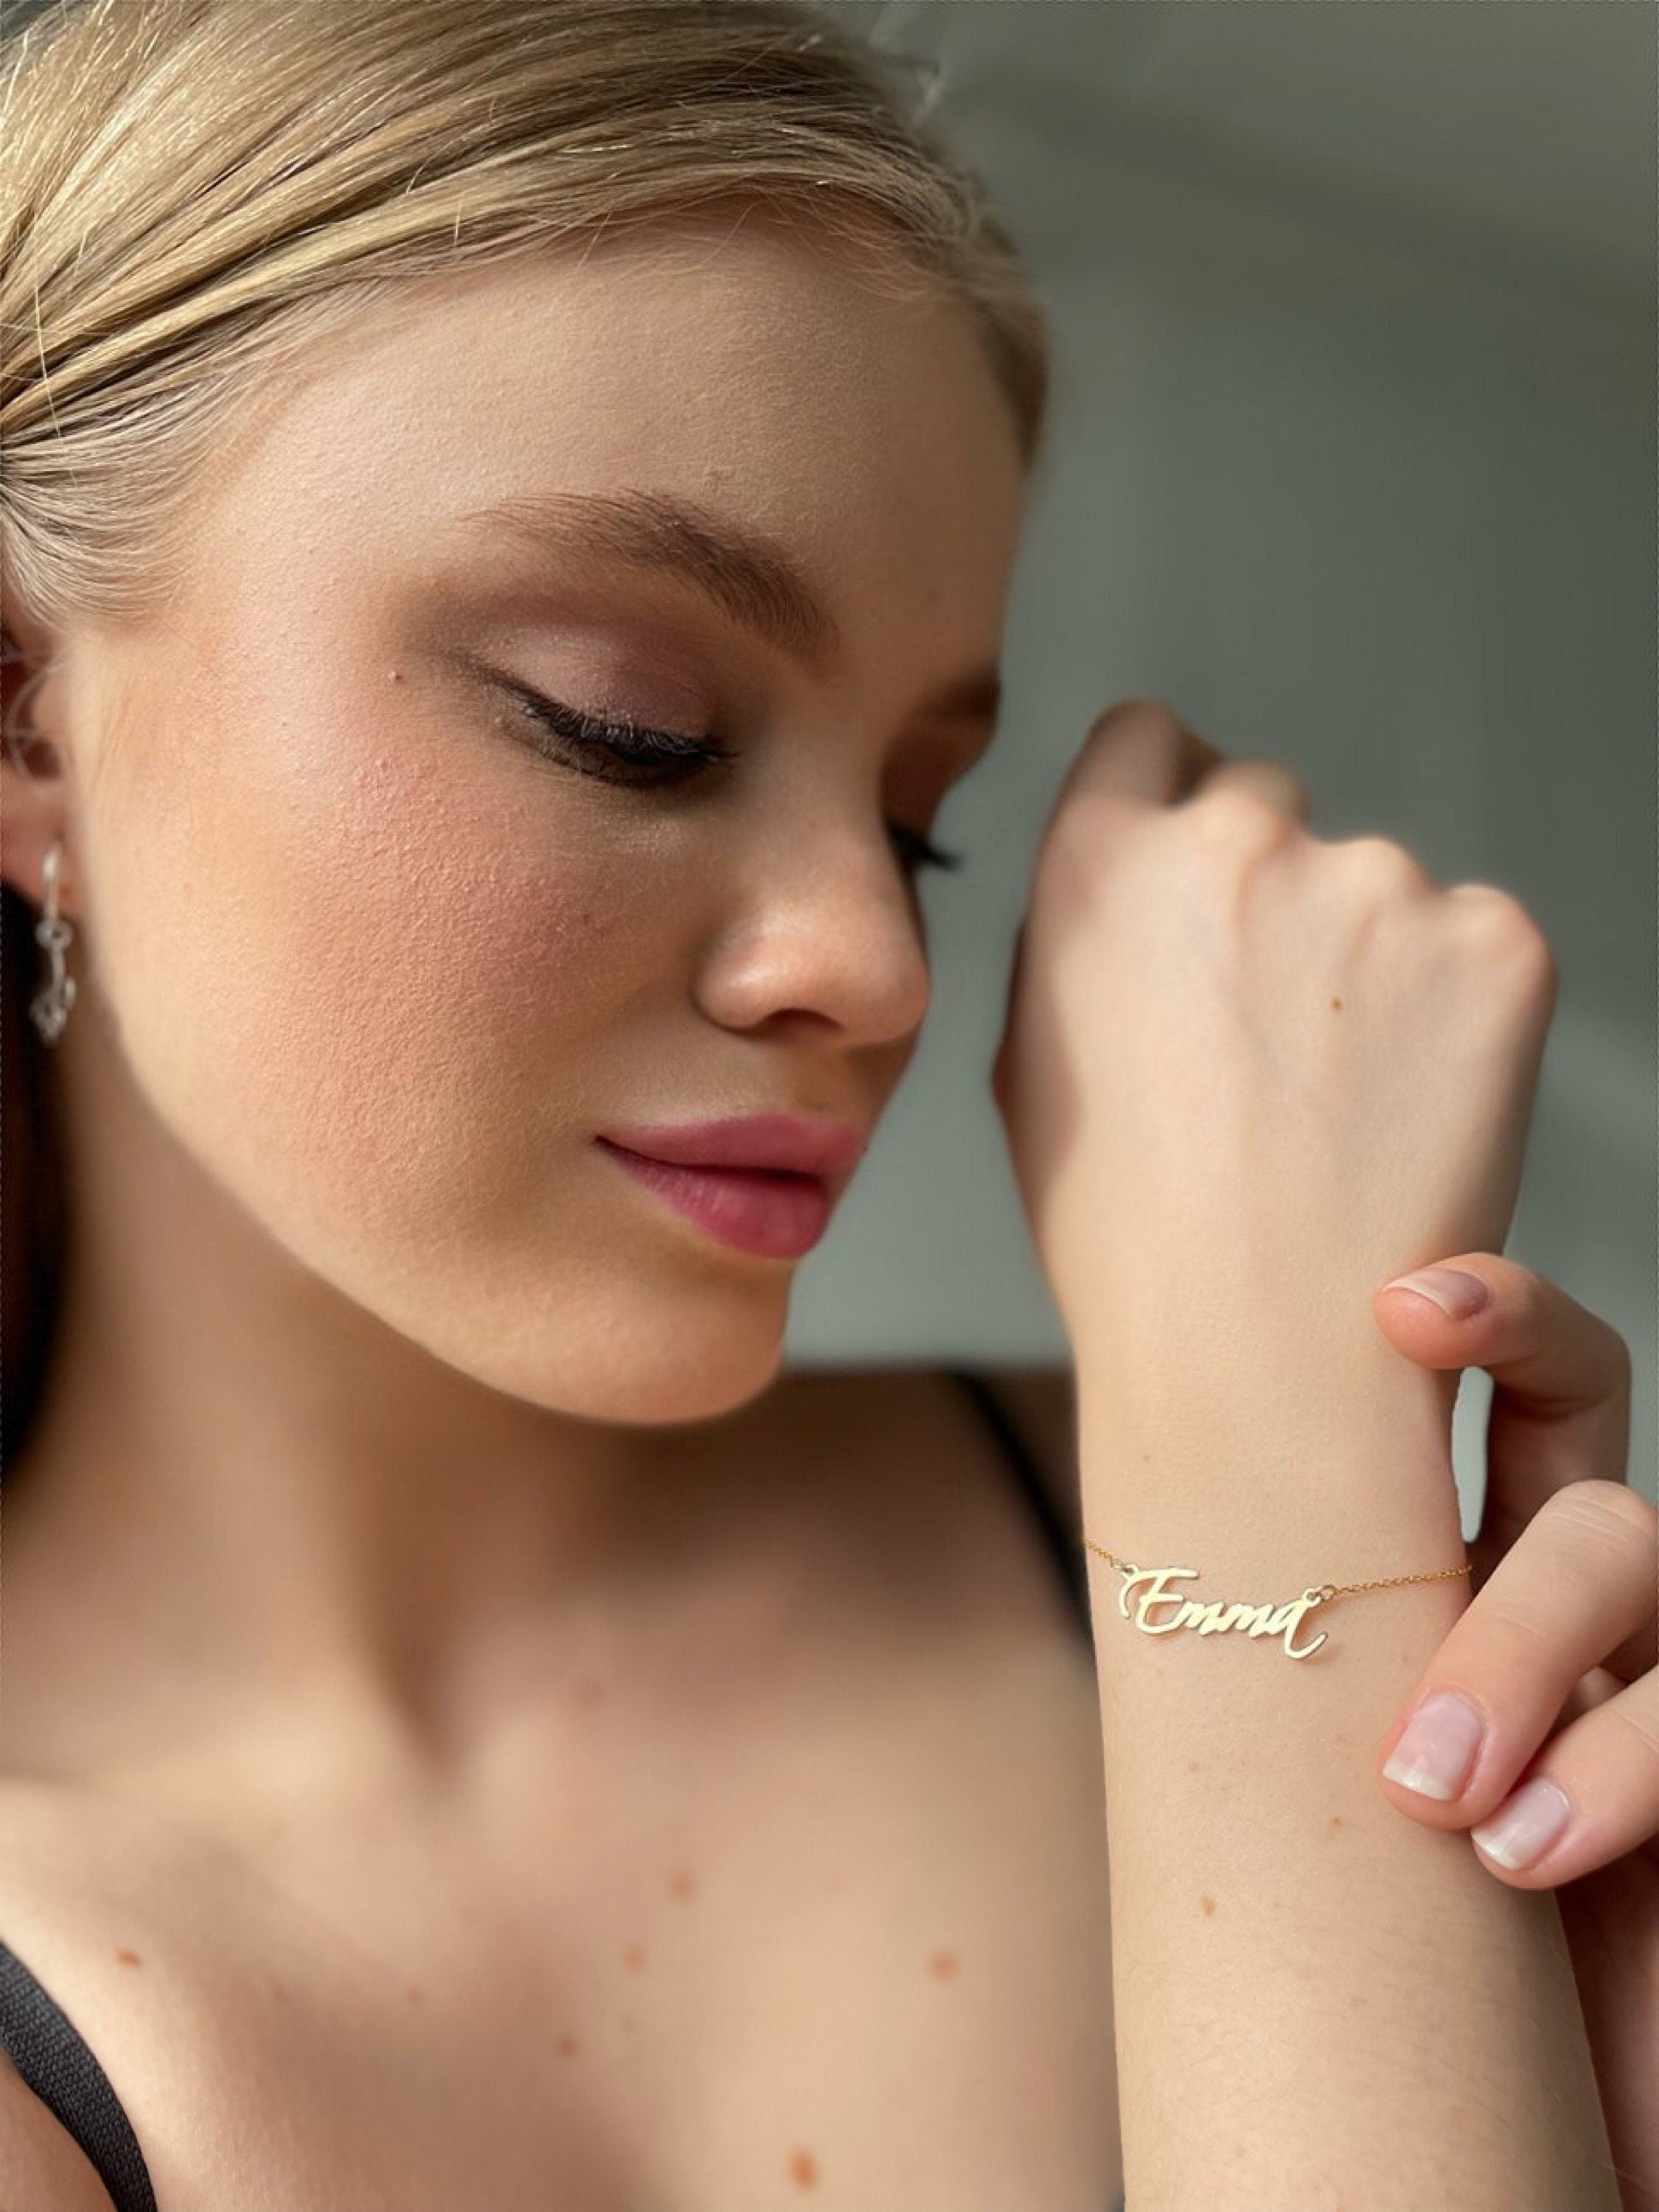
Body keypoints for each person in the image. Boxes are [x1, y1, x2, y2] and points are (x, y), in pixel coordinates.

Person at [1, 4, 1652, 2210]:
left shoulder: (1206, 1514)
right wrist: (1263, 1544)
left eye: (921, 816)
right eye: (635, 728)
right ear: (24, 721)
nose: (875, 961)